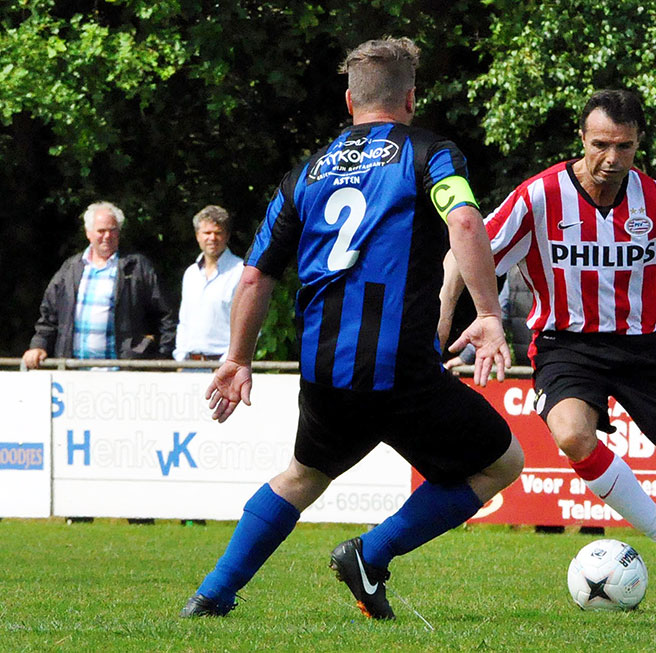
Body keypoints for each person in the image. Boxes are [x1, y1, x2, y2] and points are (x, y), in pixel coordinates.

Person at [179, 37, 524, 621]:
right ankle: (371, 552)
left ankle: (211, 594)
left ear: (349, 100)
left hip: (324, 369)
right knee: (502, 462)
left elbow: (255, 275)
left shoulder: (305, 174)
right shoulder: (430, 153)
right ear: (411, 98)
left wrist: (237, 357)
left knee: (302, 477)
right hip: (400, 369)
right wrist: (489, 314)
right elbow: (464, 218)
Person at [440, 89, 656, 616]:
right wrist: (441, 324)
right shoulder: (540, 196)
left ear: (637, 144)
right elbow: (462, 252)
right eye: (600, 144)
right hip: (566, 345)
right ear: (581, 139)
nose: (610, 159)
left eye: (623, 147)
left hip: (647, 349)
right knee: (571, 434)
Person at [22, 201, 176, 368]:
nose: (107, 236)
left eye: (112, 230)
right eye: (101, 231)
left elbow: (166, 314)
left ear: (119, 232)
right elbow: (49, 314)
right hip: (74, 371)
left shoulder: (137, 267)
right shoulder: (70, 268)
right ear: (89, 233)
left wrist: (161, 357)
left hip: (122, 374)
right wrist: (39, 345)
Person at [173, 205, 244, 363]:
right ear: (198, 235)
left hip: (223, 366)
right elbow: (184, 321)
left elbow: (248, 325)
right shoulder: (191, 274)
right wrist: (179, 357)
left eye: (218, 233)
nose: (212, 238)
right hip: (189, 366)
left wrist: (228, 362)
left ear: (227, 236)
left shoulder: (240, 272)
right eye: (207, 233)